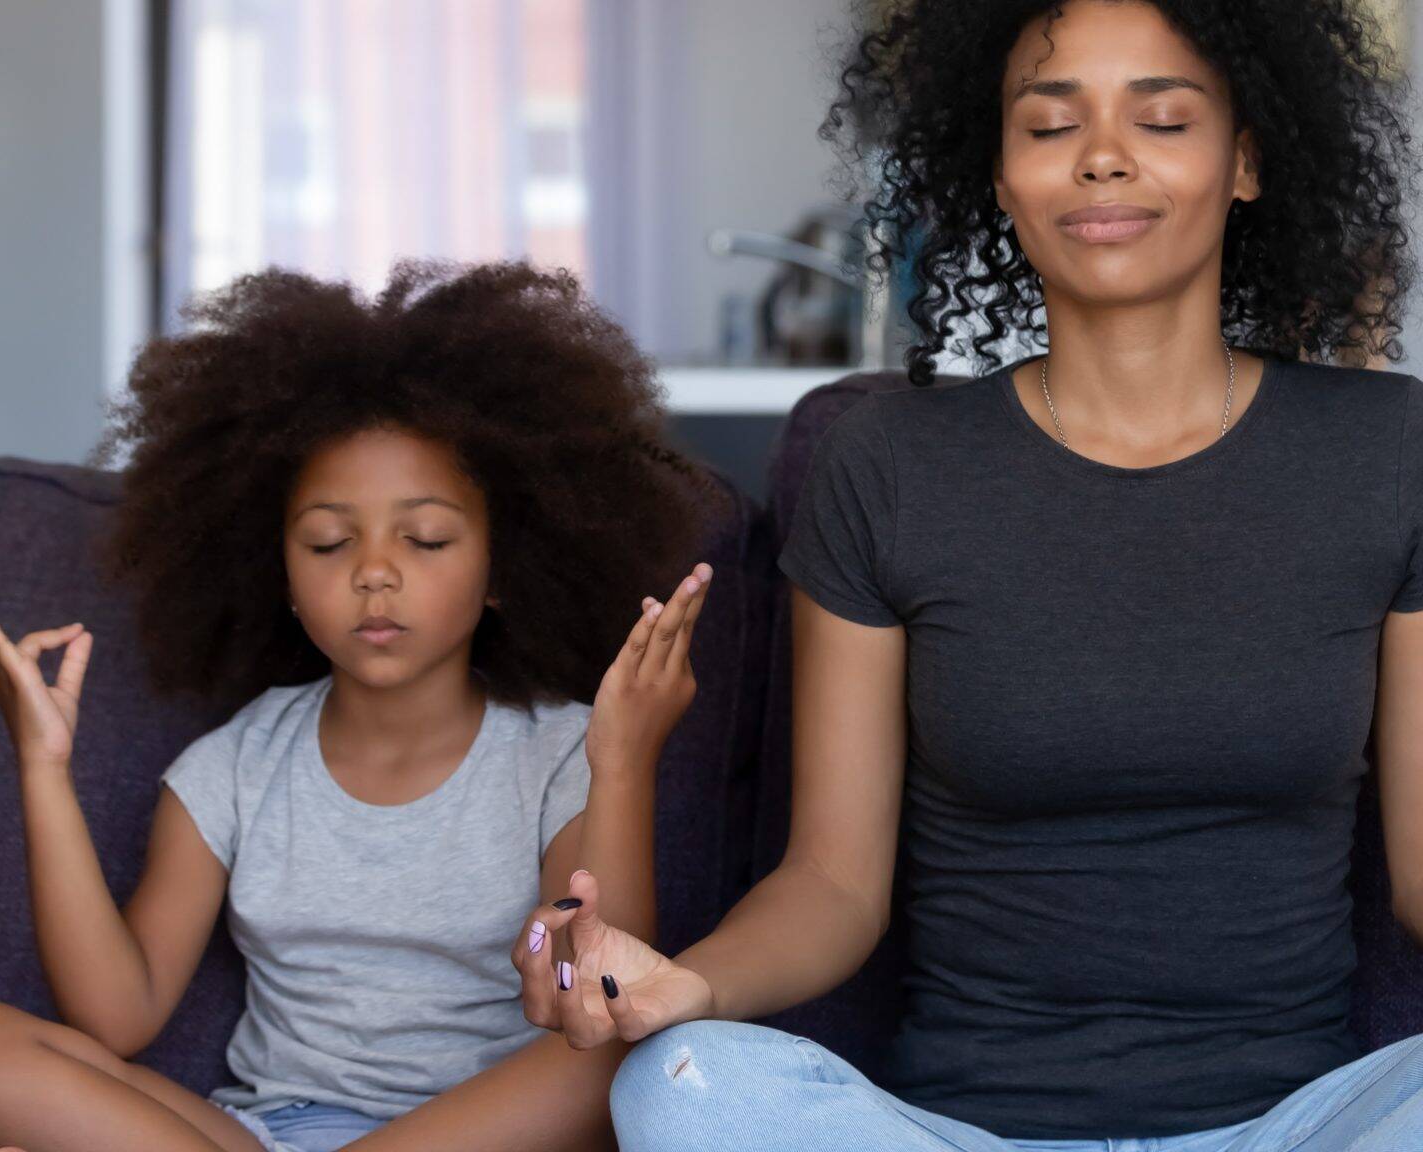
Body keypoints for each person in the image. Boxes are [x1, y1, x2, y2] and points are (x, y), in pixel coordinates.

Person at [519, 2, 1423, 1148]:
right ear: (998, 175)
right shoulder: (891, 464)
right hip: (964, 1132)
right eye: (1050, 125)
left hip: (1301, 1128)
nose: (1103, 154)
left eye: (1162, 119)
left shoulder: (1387, 449)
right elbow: (834, 883)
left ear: (1244, 160)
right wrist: (685, 986)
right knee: (679, 1082)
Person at [0, 260, 716, 1152]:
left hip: (487, 1134)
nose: (374, 572)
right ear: (284, 579)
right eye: (330, 542)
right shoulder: (235, 768)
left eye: (426, 538)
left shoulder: (562, 753)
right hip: (265, 1134)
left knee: (608, 1053)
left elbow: (594, 993)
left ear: (500, 569)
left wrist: (623, 762)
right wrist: (42, 764)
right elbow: (115, 1016)